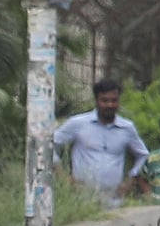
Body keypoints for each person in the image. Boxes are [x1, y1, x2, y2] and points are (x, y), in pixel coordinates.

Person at [52, 78, 150, 207]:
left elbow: (143, 155)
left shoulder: (127, 128)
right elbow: (48, 146)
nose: (109, 105)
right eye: (104, 100)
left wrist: (132, 178)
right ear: (96, 100)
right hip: (80, 198)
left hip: (114, 199)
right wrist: (63, 177)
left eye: (114, 100)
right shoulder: (78, 123)